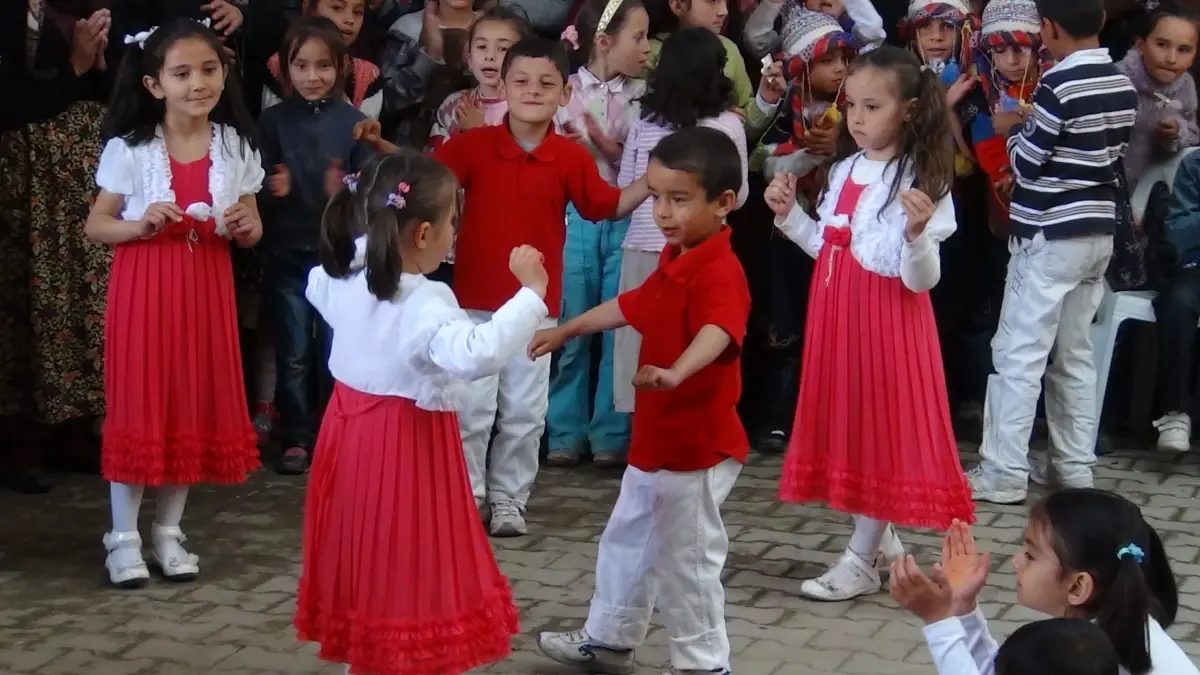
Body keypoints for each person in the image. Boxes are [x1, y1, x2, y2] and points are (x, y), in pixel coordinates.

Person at [294, 151, 549, 675]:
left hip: (348, 436)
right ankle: (398, 659)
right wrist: (531, 293)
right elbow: (477, 353)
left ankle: (365, 657)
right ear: (424, 232)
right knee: (408, 561)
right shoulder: (426, 300)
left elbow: (317, 285)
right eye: (454, 222)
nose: (456, 234)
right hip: (403, 447)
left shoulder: (346, 278)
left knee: (365, 554)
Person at [391, 37, 647, 537]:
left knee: (527, 414)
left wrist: (653, 182)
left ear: (564, 92)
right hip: (471, 307)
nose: (533, 91)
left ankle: (510, 500)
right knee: (471, 412)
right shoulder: (472, 145)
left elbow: (606, 206)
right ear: (502, 86)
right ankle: (467, 498)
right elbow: (423, 185)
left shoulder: (570, 158)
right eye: (522, 81)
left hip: (536, 310)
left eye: (547, 83)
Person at [531, 126, 750, 675]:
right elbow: (631, 305)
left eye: (679, 199)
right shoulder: (676, 256)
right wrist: (570, 328)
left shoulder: (721, 268)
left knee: (687, 560)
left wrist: (678, 371)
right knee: (627, 537)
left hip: (696, 446)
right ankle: (609, 637)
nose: (663, 212)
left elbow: (719, 330)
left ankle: (705, 664)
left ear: (724, 204)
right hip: (656, 440)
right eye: (655, 196)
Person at [765, 45, 975, 602]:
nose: (856, 119)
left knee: (880, 434)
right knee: (854, 428)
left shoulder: (922, 178)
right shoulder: (846, 168)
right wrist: (789, 218)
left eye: (872, 106)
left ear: (907, 109)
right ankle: (882, 544)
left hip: (889, 322)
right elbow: (830, 247)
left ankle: (861, 560)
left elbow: (919, 280)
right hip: (838, 314)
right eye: (850, 104)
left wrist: (916, 236)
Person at [85, 17, 264, 588]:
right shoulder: (132, 148)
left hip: (205, 290)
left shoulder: (234, 146)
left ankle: (169, 532)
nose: (198, 83)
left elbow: (254, 228)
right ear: (154, 84)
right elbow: (96, 225)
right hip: (145, 289)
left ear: (224, 73)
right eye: (182, 73)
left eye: (208, 70)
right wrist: (138, 224)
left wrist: (242, 224)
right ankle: (123, 539)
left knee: (189, 402)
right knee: (142, 405)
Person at [968, 0, 1138, 504]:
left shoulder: (1057, 85)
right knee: (1075, 354)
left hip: (1048, 235)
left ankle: (1002, 471)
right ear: (1102, 22)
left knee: (1018, 353)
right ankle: (1073, 466)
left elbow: (1029, 162)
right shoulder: (1121, 83)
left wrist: (1013, 127)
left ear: (1048, 29)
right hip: (1096, 234)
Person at [890, 491, 1197, 675]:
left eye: (1031, 554)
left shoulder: (1091, 653)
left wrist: (939, 623)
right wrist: (964, 609)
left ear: (1078, 587)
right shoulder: (1116, 628)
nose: (1015, 561)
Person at [0, 0, 113, 494]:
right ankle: (19, 438)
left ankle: (72, 428)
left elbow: (113, 90)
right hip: (22, 177)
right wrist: (75, 68)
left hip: (79, 174)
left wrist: (102, 65)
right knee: (28, 300)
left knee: (82, 301)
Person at [257, 16, 376, 475]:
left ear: (341, 67)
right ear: (286, 69)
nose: (312, 77)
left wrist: (344, 186)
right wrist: (273, 189)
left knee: (335, 350)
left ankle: (333, 432)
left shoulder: (355, 124)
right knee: (292, 350)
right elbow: (251, 184)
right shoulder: (272, 122)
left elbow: (370, 189)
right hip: (286, 254)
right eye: (301, 66)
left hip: (338, 258)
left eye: (323, 66)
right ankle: (297, 438)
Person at [612, 27, 749, 415]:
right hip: (701, 252)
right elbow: (738, 197)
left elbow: (626, 184)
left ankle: (636, 426)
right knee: (695, 336)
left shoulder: (644, 121)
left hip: (642, 242)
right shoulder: (728, 125)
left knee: (638, 339)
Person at [545, 0, 651, 469]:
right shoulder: (563, 89)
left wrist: (600, 145)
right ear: (603, 42)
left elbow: (639, 157)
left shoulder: (646, 96)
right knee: (571, 321)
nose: (647, 48)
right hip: (576, 218)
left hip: (626, 215)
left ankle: (611, 432)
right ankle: (563, 430)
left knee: (619, 323)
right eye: (639, 37)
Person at [1115, 4, 1198, 191]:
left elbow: (1193, 135)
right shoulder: (1118, 80)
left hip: (1151, 193)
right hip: (1106, 188)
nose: (1171, 58)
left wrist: (1177, 132)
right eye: (1162, 44)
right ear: (1141, 45)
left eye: (1184, 49)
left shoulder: (1185, 86)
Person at [264, 0, 383, 117]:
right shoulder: (278, 65)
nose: (350, 20)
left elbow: (364, 131)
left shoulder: (368, 75)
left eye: (358, 12)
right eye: (337, 8)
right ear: (308, 8)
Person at [641, 0, 754, 110]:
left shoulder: (729, 48)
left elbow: (744, 107)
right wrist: (719, 113)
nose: (724, 11)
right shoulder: (647, 53)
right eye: (712, 1)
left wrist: (764, 102)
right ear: (678, 5)